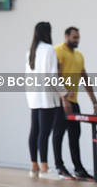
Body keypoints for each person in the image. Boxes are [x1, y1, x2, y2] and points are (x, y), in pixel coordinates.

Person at [52, 26, 97, 180]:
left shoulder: (79, 55)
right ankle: (59, 166)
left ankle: (78, 168)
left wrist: (95, 102)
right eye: (74, 37)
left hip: (74, 102)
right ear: (66, 36)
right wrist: (64, 98)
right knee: (58, 134)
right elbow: (56, 76)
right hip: (60, 101)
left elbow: (85, 78)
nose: (77, 40)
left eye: (78, 37)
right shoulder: (58, 50)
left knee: (75, 135)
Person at [25, 21, 64, 178]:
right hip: (46, 97)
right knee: (44, 132)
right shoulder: (49, 49)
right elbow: (53, 76)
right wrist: (64, 93)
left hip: (34, 96)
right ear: (47, 33)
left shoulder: (31, 51)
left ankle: (34, 166)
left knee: (35, 130)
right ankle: (45, 167)